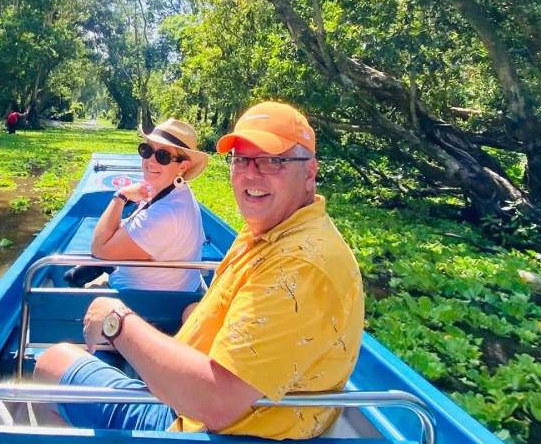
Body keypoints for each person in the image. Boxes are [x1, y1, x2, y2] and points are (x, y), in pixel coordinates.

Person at [34, 102, 364, 438]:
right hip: (211, 402)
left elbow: (217, 403)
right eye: (241, 160)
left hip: (197, 425)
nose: (251, 173)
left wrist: (117, 322)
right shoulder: (268, 231)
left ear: (309, 172)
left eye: (272, 161)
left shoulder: (299, 267)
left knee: (53, 361)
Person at [71, 118, 208, 292]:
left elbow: (99, 249)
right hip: (172, 288)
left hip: (144, 300)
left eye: (163, 156)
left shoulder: (166, 215)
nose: (150, 161)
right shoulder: (174, 192)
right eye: (147, 150)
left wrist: (121, 195)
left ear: (183, 166)